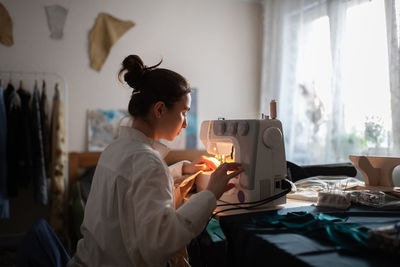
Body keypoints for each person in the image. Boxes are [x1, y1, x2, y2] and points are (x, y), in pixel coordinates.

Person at [68, 55, 243, 267]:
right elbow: (163, 241)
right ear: (160, 110)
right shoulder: (147, 161)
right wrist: (210, 194)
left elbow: (133, 188)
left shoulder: (115, 150)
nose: (185, 123)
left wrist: (182, 169)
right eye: (183, 113)